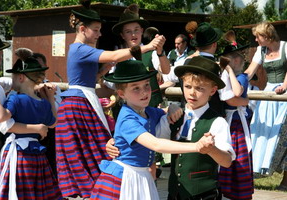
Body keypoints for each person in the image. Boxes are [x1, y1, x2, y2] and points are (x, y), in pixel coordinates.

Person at [55, 0, 164, 198]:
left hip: (82, 101)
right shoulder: (80, 48)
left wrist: (101, 73)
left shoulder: (79, 50)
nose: (99, 34)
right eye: (96, 30)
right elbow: (113, 54)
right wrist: (146, 47)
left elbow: (88, 79)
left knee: (96, 150)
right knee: (92, 153)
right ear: (82, 29)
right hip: (78, 105)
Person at [105, 56, 235, 200]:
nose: (192, 93)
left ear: (212, 90)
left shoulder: (217, 122)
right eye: (188, 86)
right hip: (171, 193)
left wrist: (212, 149)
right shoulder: (172, 119)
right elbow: (155, 142)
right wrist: (116, 141)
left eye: (199, 88)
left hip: (204, 195)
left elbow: (227, 161)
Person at [0, 57, 62, 200]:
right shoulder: (44, 104)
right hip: (37, 154)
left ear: (21, 77)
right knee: (35, 192)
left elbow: (0, 117)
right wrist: (51, 98)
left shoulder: (16, 99)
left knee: (17, 193)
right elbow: (53, 123)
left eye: (13, 76)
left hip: (18, 154)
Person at [244, 21, 287, 189]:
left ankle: (285, 179)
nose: (256, 40)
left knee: (280, 133)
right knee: (260, 131)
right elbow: (250, 71)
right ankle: (255, 172)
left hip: (284, 94)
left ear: (267, 36)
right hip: (268, 94)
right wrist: (239, 81)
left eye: (258, 37)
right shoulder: (261, 51)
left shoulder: (284, 47)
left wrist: (284, 85)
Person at [111, 3, 170, 108]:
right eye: (128, 31)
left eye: (136, 30)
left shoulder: (151, 52)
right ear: (122, 35)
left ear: (142, 31)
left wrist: (160, 51)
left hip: (151, 108)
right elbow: (110, 84)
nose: (133, 34)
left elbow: (166, 71)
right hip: (126, 109)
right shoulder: (117, 55)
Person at [217, 41, 254, 199]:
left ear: (237, 60)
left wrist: (230, 72)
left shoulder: (242, 77)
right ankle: (227, 189)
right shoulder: (225, 76)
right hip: (228, 123)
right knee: (226, 155)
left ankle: (239, 192)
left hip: (237, 124)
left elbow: (234, 97)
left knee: (238, 159)